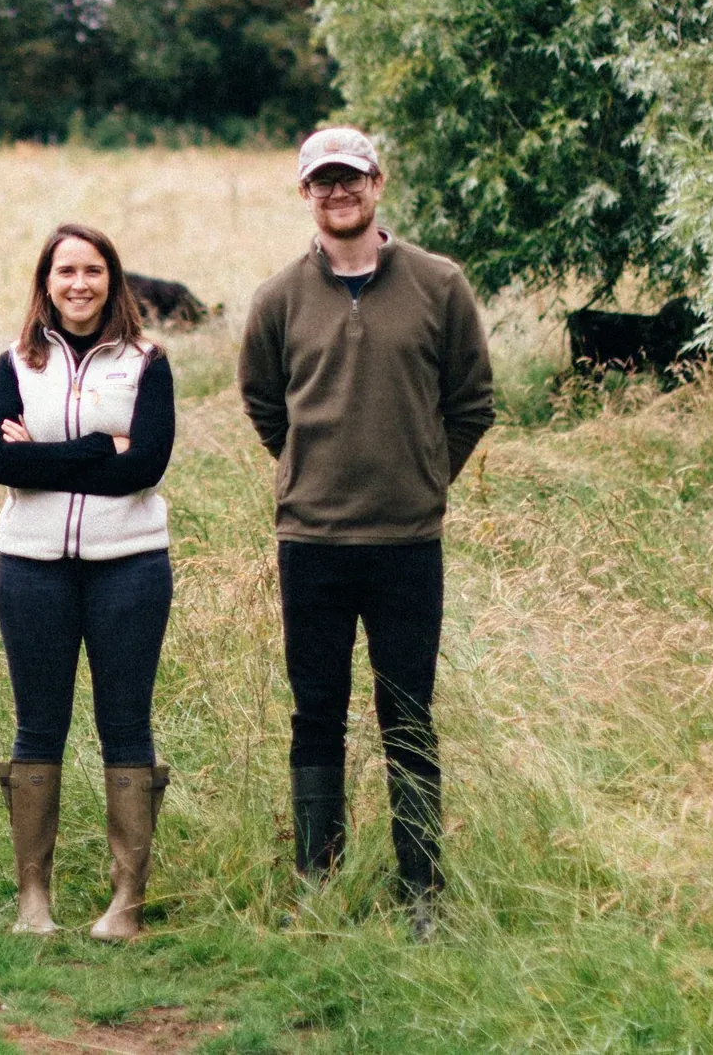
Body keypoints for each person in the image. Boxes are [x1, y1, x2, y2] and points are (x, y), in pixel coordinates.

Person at [238, 127, 495, 941]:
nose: (338, 193)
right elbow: (263, 403)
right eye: (323, 182)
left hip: (406, 542)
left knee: (408, 713)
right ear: (304, 194)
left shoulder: (439, 285)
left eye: (352, 179)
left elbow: (471, 402)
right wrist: (312, 470)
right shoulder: (279, 297)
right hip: (310, 541)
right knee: (316, 711)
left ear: (379, 183)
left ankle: (422, 889)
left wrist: (421, 477)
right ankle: (320, 879)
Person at [0, 224, 176, 940]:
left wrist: (50, 458)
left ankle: (127, 902)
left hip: (131, 565)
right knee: (38, 725)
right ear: (46, 280)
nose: (79, 284)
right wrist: (100, 447)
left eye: (93, 270)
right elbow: (3, 465)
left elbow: (145, 466)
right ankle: (34, 898)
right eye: (66, 271)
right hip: (30, 568)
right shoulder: (15, 362)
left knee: (125, 724)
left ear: (112, 279)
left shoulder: (148, 362)